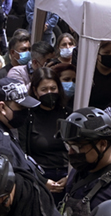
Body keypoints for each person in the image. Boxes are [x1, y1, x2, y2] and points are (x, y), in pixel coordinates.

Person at [18, 67, 70, 196]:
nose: (49, 93)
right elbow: (22, 152)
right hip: (40, 177)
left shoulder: (68, 113)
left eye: (53, 88)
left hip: (67, 175)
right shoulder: (27, 117)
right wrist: (42, 180)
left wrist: (70, 177)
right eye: (44, 89)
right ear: (35, 91)